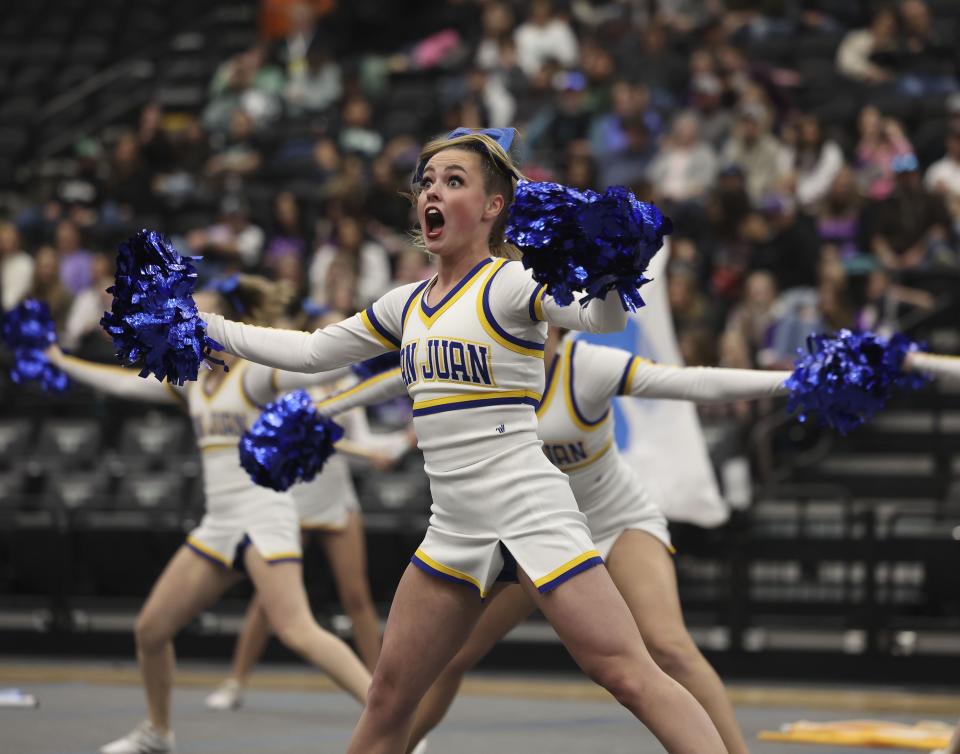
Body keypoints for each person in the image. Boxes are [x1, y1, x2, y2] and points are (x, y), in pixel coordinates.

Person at [199, 127, 730, 754]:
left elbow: (600, 318)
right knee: (388, 702)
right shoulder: (406, 304)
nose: (433, 191)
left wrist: (612, 269)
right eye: (427, 180)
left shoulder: (507, 284)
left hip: (529, 507)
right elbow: (312, 352)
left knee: (628, 673)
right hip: (454, 524)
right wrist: (201, 324)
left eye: (455, 181)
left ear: (492, 207)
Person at [315, 325, 793, 754]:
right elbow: (408, 372)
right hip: (538, 532)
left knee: (667, 646)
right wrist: (324, 409)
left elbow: (690, 382)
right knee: (453, 655)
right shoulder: (495, 363)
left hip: (614, 520)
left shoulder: (588, 366)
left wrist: (788, 381)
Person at [46, 275, 371, 754]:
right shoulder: (192, 379)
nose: (189, 318)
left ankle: (394, 716)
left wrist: (375, 344)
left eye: (202, 311)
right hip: (219, 524)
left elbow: (315, 366)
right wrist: (62, 361)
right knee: (151, 629)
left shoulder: (256, 374)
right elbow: (124, 386)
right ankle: (158, 733)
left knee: (297, 631)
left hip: (265, 514)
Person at [206, 353, 414, 710]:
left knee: (357, 596)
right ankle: (235, 681)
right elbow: (280, 434)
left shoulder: (349, 383)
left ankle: (379, 686)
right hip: (295, 495)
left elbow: (360, 442)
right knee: (268, 600)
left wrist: (398, 443)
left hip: (336, 495)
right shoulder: (287, 379)